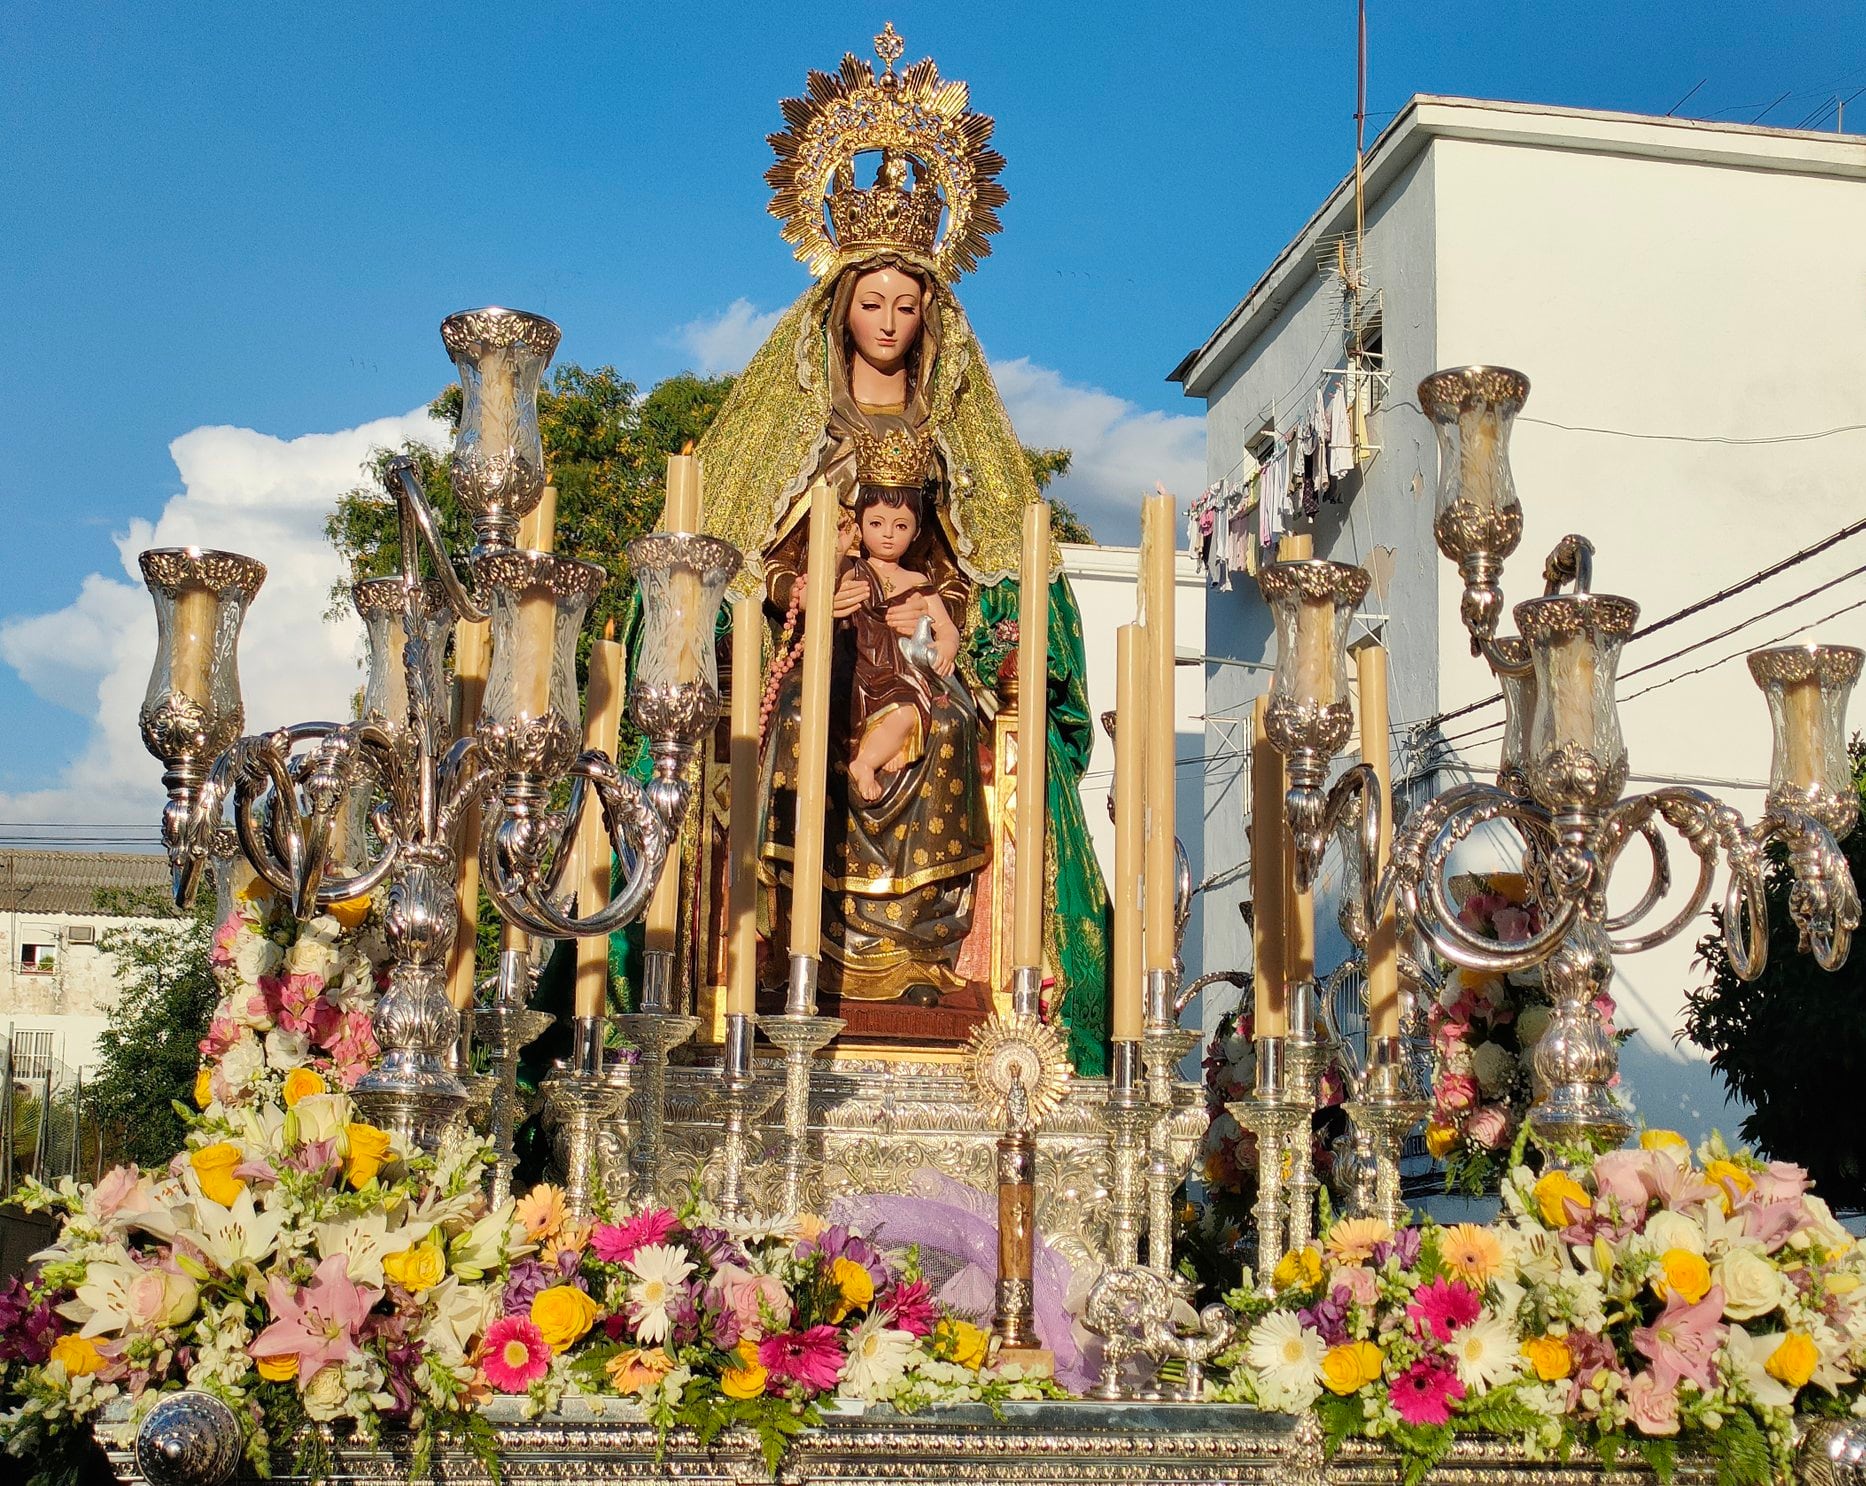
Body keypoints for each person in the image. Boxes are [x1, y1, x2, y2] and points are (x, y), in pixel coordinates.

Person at [693, 31, 1112, 1067]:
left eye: (907, 303)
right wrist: (800, 587)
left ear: (931, 314)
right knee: (796, 716)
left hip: (912, 647)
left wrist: (963, 614)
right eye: (871, 301)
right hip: (815, 643)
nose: (888, 319)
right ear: (840, 307)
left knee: (953, 721)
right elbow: (742, 547)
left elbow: (979, 554)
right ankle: (805, 958)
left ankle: (919, 958)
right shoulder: (800, 425)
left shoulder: (946, 426)